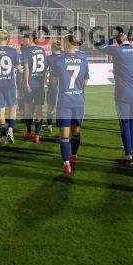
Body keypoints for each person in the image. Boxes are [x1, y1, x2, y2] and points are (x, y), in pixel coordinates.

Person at [95, 26, 133, 165]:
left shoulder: (116, 49)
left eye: (117, 36)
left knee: (125, 124)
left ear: (120, 37)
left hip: (123, 94)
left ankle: (128, 155)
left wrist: (112, 39)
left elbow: (98, 46)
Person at [51, 33, 89, 174]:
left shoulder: (58, 60)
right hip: (78, 100)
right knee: (76, 131)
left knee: (64, 134)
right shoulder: (83, 60)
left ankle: (66, 164)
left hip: (64, 101)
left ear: (66, 44)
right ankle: (73, 155)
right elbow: (85, 83)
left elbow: (54, 82)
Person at [20, 33, 48, 143]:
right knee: (38, 109)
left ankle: (28, 132)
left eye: (24, 39)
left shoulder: (26, 50)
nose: (23, 41)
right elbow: (45, 67)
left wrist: (26, 83)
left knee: (27, 108)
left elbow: (26, 68)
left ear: (30, 39)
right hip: (39, 84)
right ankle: (37, 135)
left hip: (30, 83)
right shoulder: (42, 50)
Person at [43, 40, 63, 135]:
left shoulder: (49, 58)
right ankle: (61, 131)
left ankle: (49, 126)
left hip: (53, 85)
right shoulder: (64, 57)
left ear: (52, 48)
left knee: (50, 107)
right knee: (61, 108)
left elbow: (43, 71)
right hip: (64, 87)